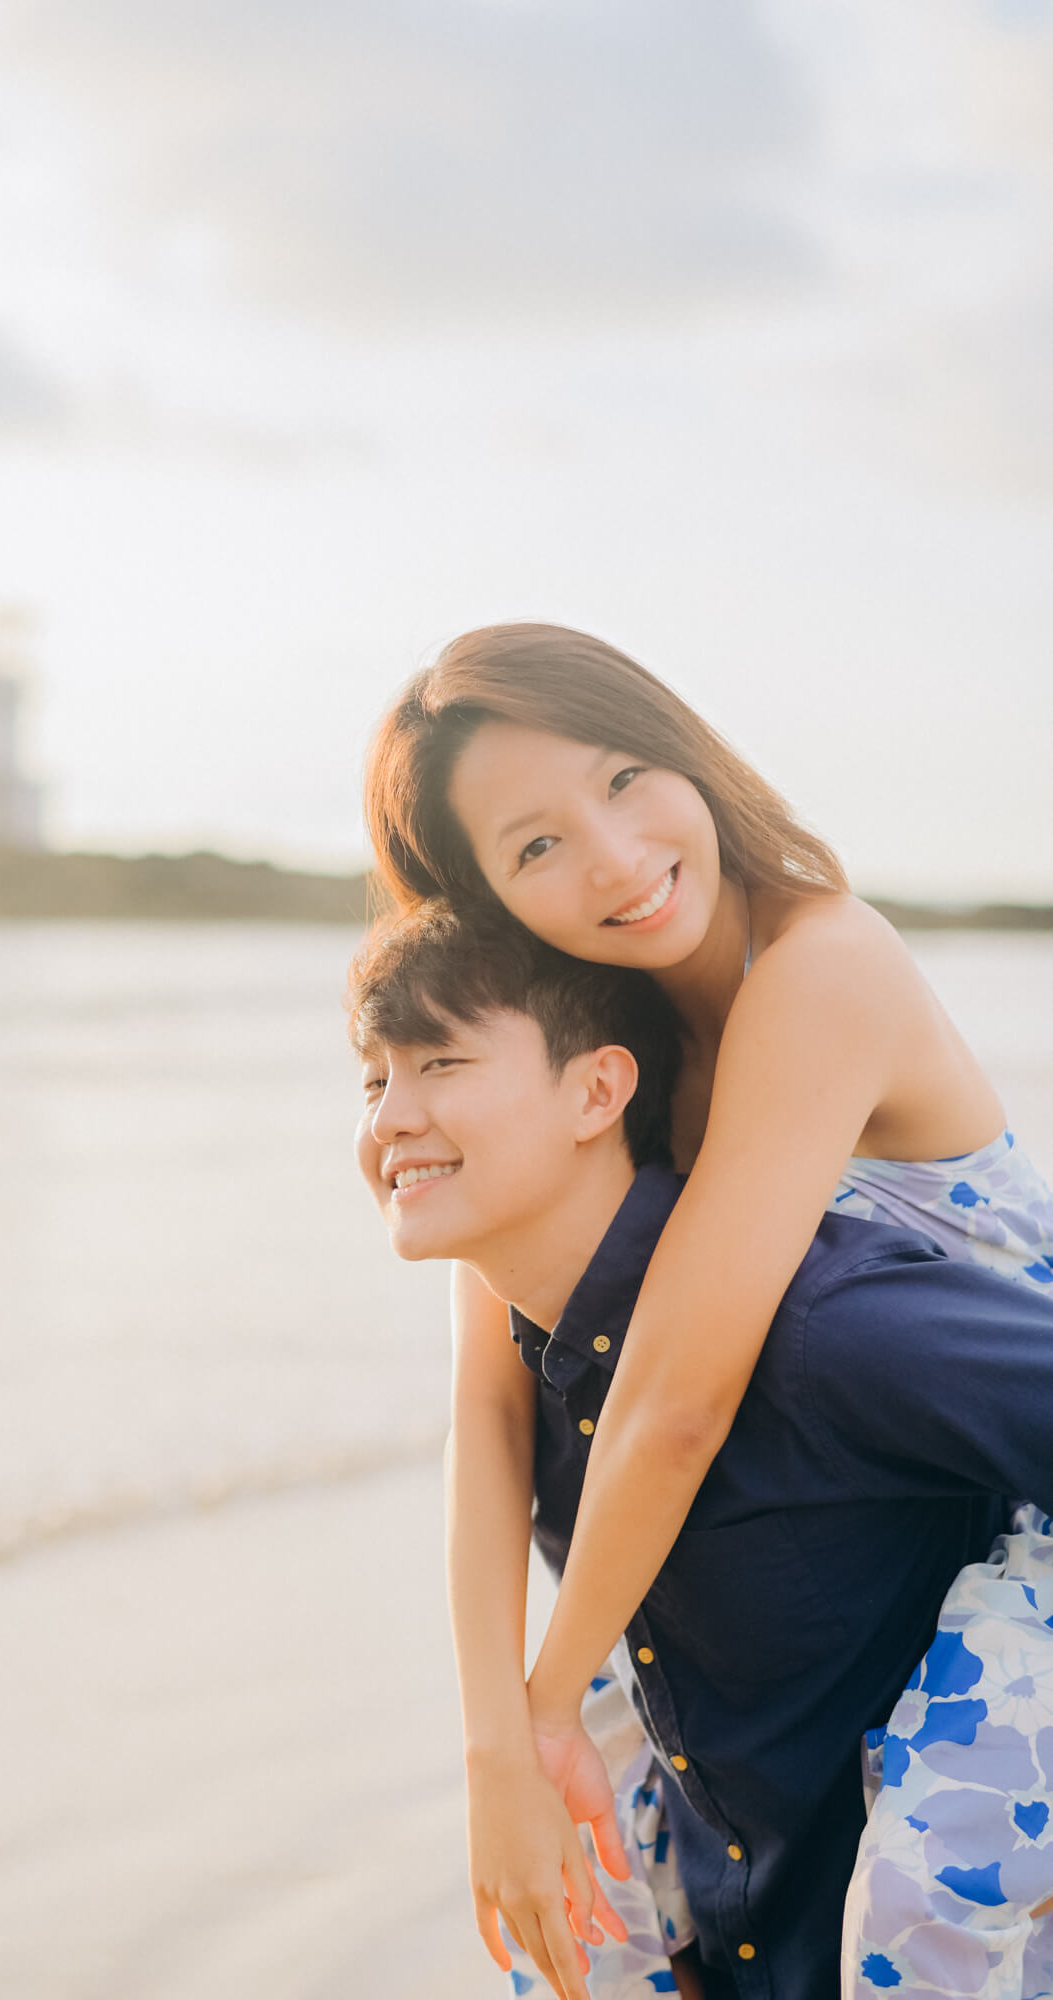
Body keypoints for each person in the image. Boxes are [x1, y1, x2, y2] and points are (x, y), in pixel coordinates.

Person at [360, 624, 1053, 1998]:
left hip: (1013, 1458)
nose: (612, 856)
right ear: (489, 896)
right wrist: (498, 1736)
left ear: (682, 748)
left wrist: (548, 1697)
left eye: (623, 778)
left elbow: (675, 1399)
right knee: (613, 1867)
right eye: (535, 847)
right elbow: (489, 1410)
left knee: (931, 1885)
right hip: (887, 1465)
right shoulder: (595, 1043)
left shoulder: (819, 961)